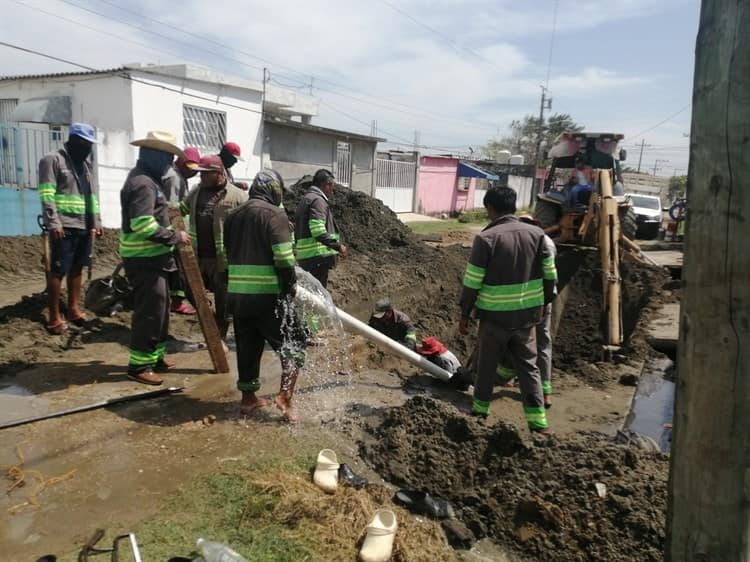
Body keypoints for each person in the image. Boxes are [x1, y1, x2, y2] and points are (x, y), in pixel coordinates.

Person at [459, 187, 557, 433]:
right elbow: (550, 275)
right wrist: (545, 304)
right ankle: (538, 422)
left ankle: (480, 412)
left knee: (486, 367)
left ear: (490, 208)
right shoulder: (538, 235)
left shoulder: (486, 239)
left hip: (494, 318)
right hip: (527, 318)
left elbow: (472, 282)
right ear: (514, 206)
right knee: (529, 367)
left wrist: (464, 314)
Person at [223, 170, 306, 422]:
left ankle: (248, 399)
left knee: (248, 346)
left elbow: (227, 253)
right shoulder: (274, 214)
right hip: (267, 295)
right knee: (295, 342)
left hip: (237, 295)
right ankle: (285, 397)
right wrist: (289, 284)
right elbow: (283, 257)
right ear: (273, 189)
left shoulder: (233, 216)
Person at [120, 131, 190, 385]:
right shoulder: (142, 184)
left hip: (155, 258)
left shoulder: (151, 180)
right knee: (150, 311)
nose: (170, 163)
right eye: (168, 157)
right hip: (144, 259)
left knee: (161, 309)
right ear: (152, 155)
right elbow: (142, 225)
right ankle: (139, 365)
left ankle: (156, 356)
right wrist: (175, 236)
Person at [38, 122, 102, 334]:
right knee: (58, 270)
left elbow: (92, 196)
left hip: (83, 224)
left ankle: (74, 310)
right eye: (84, 143)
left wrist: (96, 222)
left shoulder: (85, 165)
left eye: (89, 144)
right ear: (73, 141)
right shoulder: (53, 160)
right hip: (63, 226)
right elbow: (47, 194)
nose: (87, 148)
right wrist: (53, 222)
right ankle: (54, 317)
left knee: (78, 267)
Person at [493, 215, 557, 408]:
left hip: (530, 301)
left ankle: (539, 390)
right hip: (537, 299)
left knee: (522, 341)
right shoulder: (546, 241)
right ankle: (539, 390)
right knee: (539, 343)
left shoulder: (537, 243)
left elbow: (548, 275)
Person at [180, 154, 247, 337]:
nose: (200, 177)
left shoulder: (238, 196)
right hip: (198, 255)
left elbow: (246, 226)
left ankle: (221, 338)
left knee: (223, 300)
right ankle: (210, 314)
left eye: (205, 174)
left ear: (218, 173)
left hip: (223, 259)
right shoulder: (196, 191)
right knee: (189, 289)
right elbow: (180, 210)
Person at [294, 169, 347, 288]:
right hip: (317, 259)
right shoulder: (318, 201)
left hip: (306, 258)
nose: (332, 190)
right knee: (319, 295)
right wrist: (338, 246)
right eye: (332, 185)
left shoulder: (306, 199)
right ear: (326, 185)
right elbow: (318, 231)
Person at [164, 146, 201, 315]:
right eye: (191, 170)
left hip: (179, 229)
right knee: (178, 266)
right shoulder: (174, 178)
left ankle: (176, 298)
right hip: (174, 229)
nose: (194, 174)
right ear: (183, 164)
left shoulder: (180, 176)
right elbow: (172, 208)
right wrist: (177, 232)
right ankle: (177, 301)